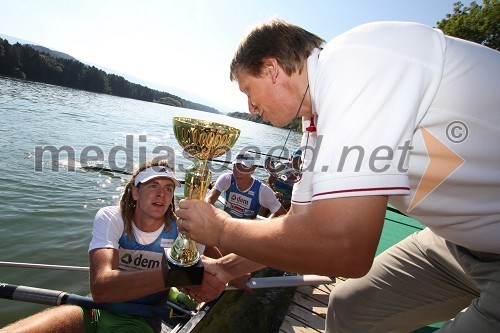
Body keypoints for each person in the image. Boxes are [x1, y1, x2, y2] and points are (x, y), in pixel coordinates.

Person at [174, 19, 500, 332]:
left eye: (249, 89)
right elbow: (297, 226)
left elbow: (346, 250)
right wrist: (226, 269)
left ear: (271, 69)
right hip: (457, 243)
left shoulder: (357, 62)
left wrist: (221, 230)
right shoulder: (317, 122)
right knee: (350, 308)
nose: (251, 107)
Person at [1, 160, 194, 332]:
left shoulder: (181, 230)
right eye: (153, 186)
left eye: (169, 188)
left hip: (142, 320)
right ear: (135, 192)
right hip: (94, 309)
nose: (161, 194)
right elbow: (101, 289)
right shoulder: (112, 217)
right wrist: (179, 275)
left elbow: (204, 275)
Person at [205, 151, 287, 219]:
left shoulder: (262, 190)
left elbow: (284, 216)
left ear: (253, 169)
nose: (238, 172)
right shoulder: (226, 178)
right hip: (227, 223)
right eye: (236, 166)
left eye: (243, 167)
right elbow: (209, 199)